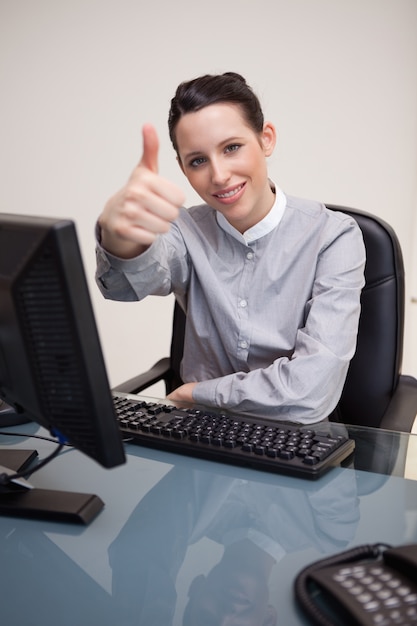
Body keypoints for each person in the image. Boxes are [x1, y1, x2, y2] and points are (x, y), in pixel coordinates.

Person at [96, 72, 366, 424]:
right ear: (183, 169)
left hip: (297, 442)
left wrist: (199, 393)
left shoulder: (333, 235)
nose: (219, 175)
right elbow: (122, 287)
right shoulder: (185, 229)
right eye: (198, 161)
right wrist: (120, 235)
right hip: (200, 432)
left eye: (231, 148)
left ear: (266, 139)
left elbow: (309, 392)